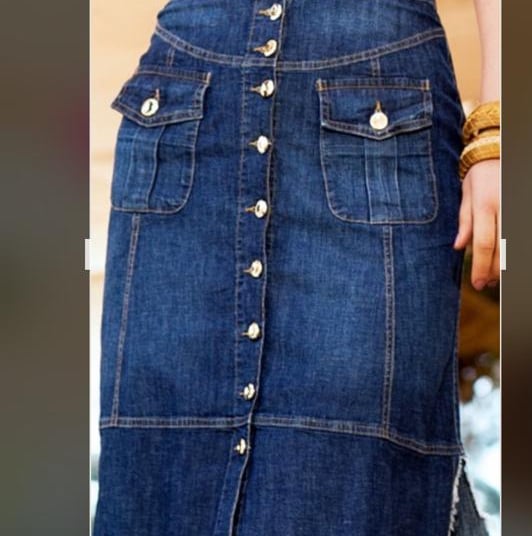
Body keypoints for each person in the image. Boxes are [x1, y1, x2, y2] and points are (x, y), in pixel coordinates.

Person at [93, 0, 499, 534]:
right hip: (182, 102)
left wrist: (496, 130)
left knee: (357, 469)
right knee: (163, 464)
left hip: (380, 105)